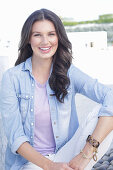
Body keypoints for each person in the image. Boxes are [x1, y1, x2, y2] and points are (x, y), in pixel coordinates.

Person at [0, 8, 113, 170]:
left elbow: (110, 95)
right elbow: (16, 138)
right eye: (37, 35)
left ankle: (80, 164)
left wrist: (85, 153)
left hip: (67, 154)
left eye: (51, 34)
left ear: (58, 37)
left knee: (102, 111)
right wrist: (50, 165)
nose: (45, 41)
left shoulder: (68, 72)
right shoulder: (12, 78)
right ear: (28, 39)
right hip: (32, 163)